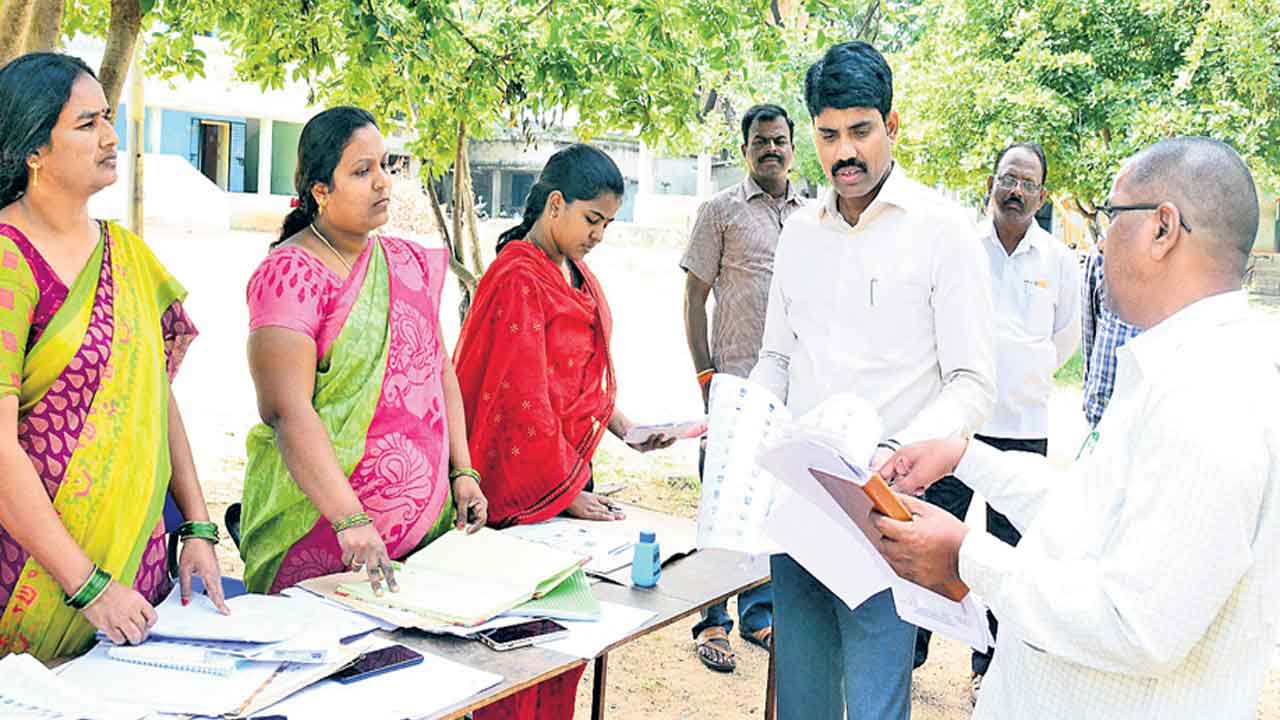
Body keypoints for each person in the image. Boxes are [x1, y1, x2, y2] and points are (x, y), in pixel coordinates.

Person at [876, 137, 1280, 719]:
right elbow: (1089, 516)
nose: (1099, 238)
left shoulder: (1210, 396)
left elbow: (1138, 624)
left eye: (1113, 217)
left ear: (1163, 229)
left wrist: (967, 557)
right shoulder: (1173, 367)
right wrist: (964, 457)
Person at [748, 42, 995, 720]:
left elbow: (972, 381)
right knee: (803, 700)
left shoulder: (945, 232)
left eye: (860, 130)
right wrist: (747, 426)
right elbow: (775, 357)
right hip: (800, 505)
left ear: (893, 125)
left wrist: (897, 457)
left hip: (887, 510)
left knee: (877, 700)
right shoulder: (799, 232)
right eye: (828, 135)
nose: (844, 151)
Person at [0, 53, 226, 660]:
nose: (109, 136)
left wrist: (199, 524)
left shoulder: (126, 254)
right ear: (33, 150)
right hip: (33, 573)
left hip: (140, 565)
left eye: (108, 117)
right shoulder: (7, 261)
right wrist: (88, 585)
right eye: (85, 124)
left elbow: (155, 397)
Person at [455, 143, 672, 719]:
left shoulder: (575, 271)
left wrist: (626, 428)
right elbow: (520, 400)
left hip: (564, 475)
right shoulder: (517, 274)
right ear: (555, 204)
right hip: (519, 483)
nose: (599, 234)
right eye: (592, 219)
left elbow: (575, 376)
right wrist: (566, 493)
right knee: (518, 648)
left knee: (563, 643)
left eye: (607, 223)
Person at [238, 107, 487, 596]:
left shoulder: (405, 264)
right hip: (327, 537)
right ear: (320, 191)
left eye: (384, 166)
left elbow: (439, 374)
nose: (383, 183)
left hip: (426, 538)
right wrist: (348, 518)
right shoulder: (291, 276)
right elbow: (286, 411)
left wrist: (464, 472)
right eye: (361, 171)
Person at [912, 142, 1079, 700]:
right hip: (957, 429)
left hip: (1024, 428)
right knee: (932, 540)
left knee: (1011, 555)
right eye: (1007, 179)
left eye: (1027, 183)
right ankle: (910, 655)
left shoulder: (1057, 260)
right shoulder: (961, 247)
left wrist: (1024, 372)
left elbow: (1066, 337)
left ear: (1041, 195)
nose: (1015, 191)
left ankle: (992, 665)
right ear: (991, 183)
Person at [681, 103, 804, 672]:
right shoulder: (721, 211)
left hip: (794, 390)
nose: (771, 150)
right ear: (746, 149)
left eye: (779, 140)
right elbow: (694, 298)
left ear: (792, 147)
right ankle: (712, 619)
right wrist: (705, 373)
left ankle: (760, 614)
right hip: (732, 380)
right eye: (761, 142)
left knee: (775, 502)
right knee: (723, 500)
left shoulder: (814, 215)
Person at [1081, 241, 1140, 428]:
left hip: (1147, 413)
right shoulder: (1101, 255)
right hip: (1102, 407)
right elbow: (1089, 331)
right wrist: (1090, 387)